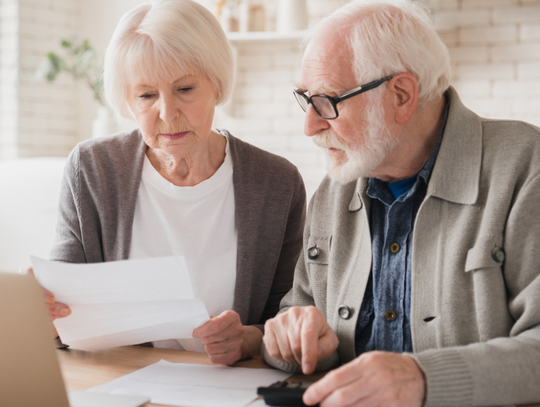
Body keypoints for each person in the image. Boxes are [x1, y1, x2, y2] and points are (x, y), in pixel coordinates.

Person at [261, 0, 540, 406]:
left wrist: (424, 379)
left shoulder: (525, 168)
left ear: (401, 95)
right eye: (307, 99)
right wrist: (293, 341)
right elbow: (293, 317)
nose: (310, 126)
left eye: (327, 101)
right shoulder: (333, 190)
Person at [22, 0, 306, 366]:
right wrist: (41, 312)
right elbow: (65, 319)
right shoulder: (92, 170)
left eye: (185, 89)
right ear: (128, 100)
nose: (168, 113)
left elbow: (291, 316)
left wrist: (250, 339)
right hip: (120, 381)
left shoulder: (276, 183)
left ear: (217, 85)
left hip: (230, 386)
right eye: (146, 95)